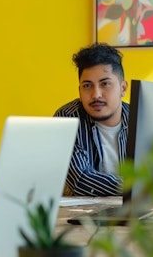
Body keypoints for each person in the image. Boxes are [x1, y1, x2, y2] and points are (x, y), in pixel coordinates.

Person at [53, 43, 129, 196]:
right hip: (82, 216)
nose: (96, 95)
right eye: (87, 86)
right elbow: (81, 179)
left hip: (137, 212)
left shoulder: (140, 118)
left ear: (123, 88)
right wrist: (134, 188)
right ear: (79, 89)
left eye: (105, 84)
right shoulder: (67, 118)